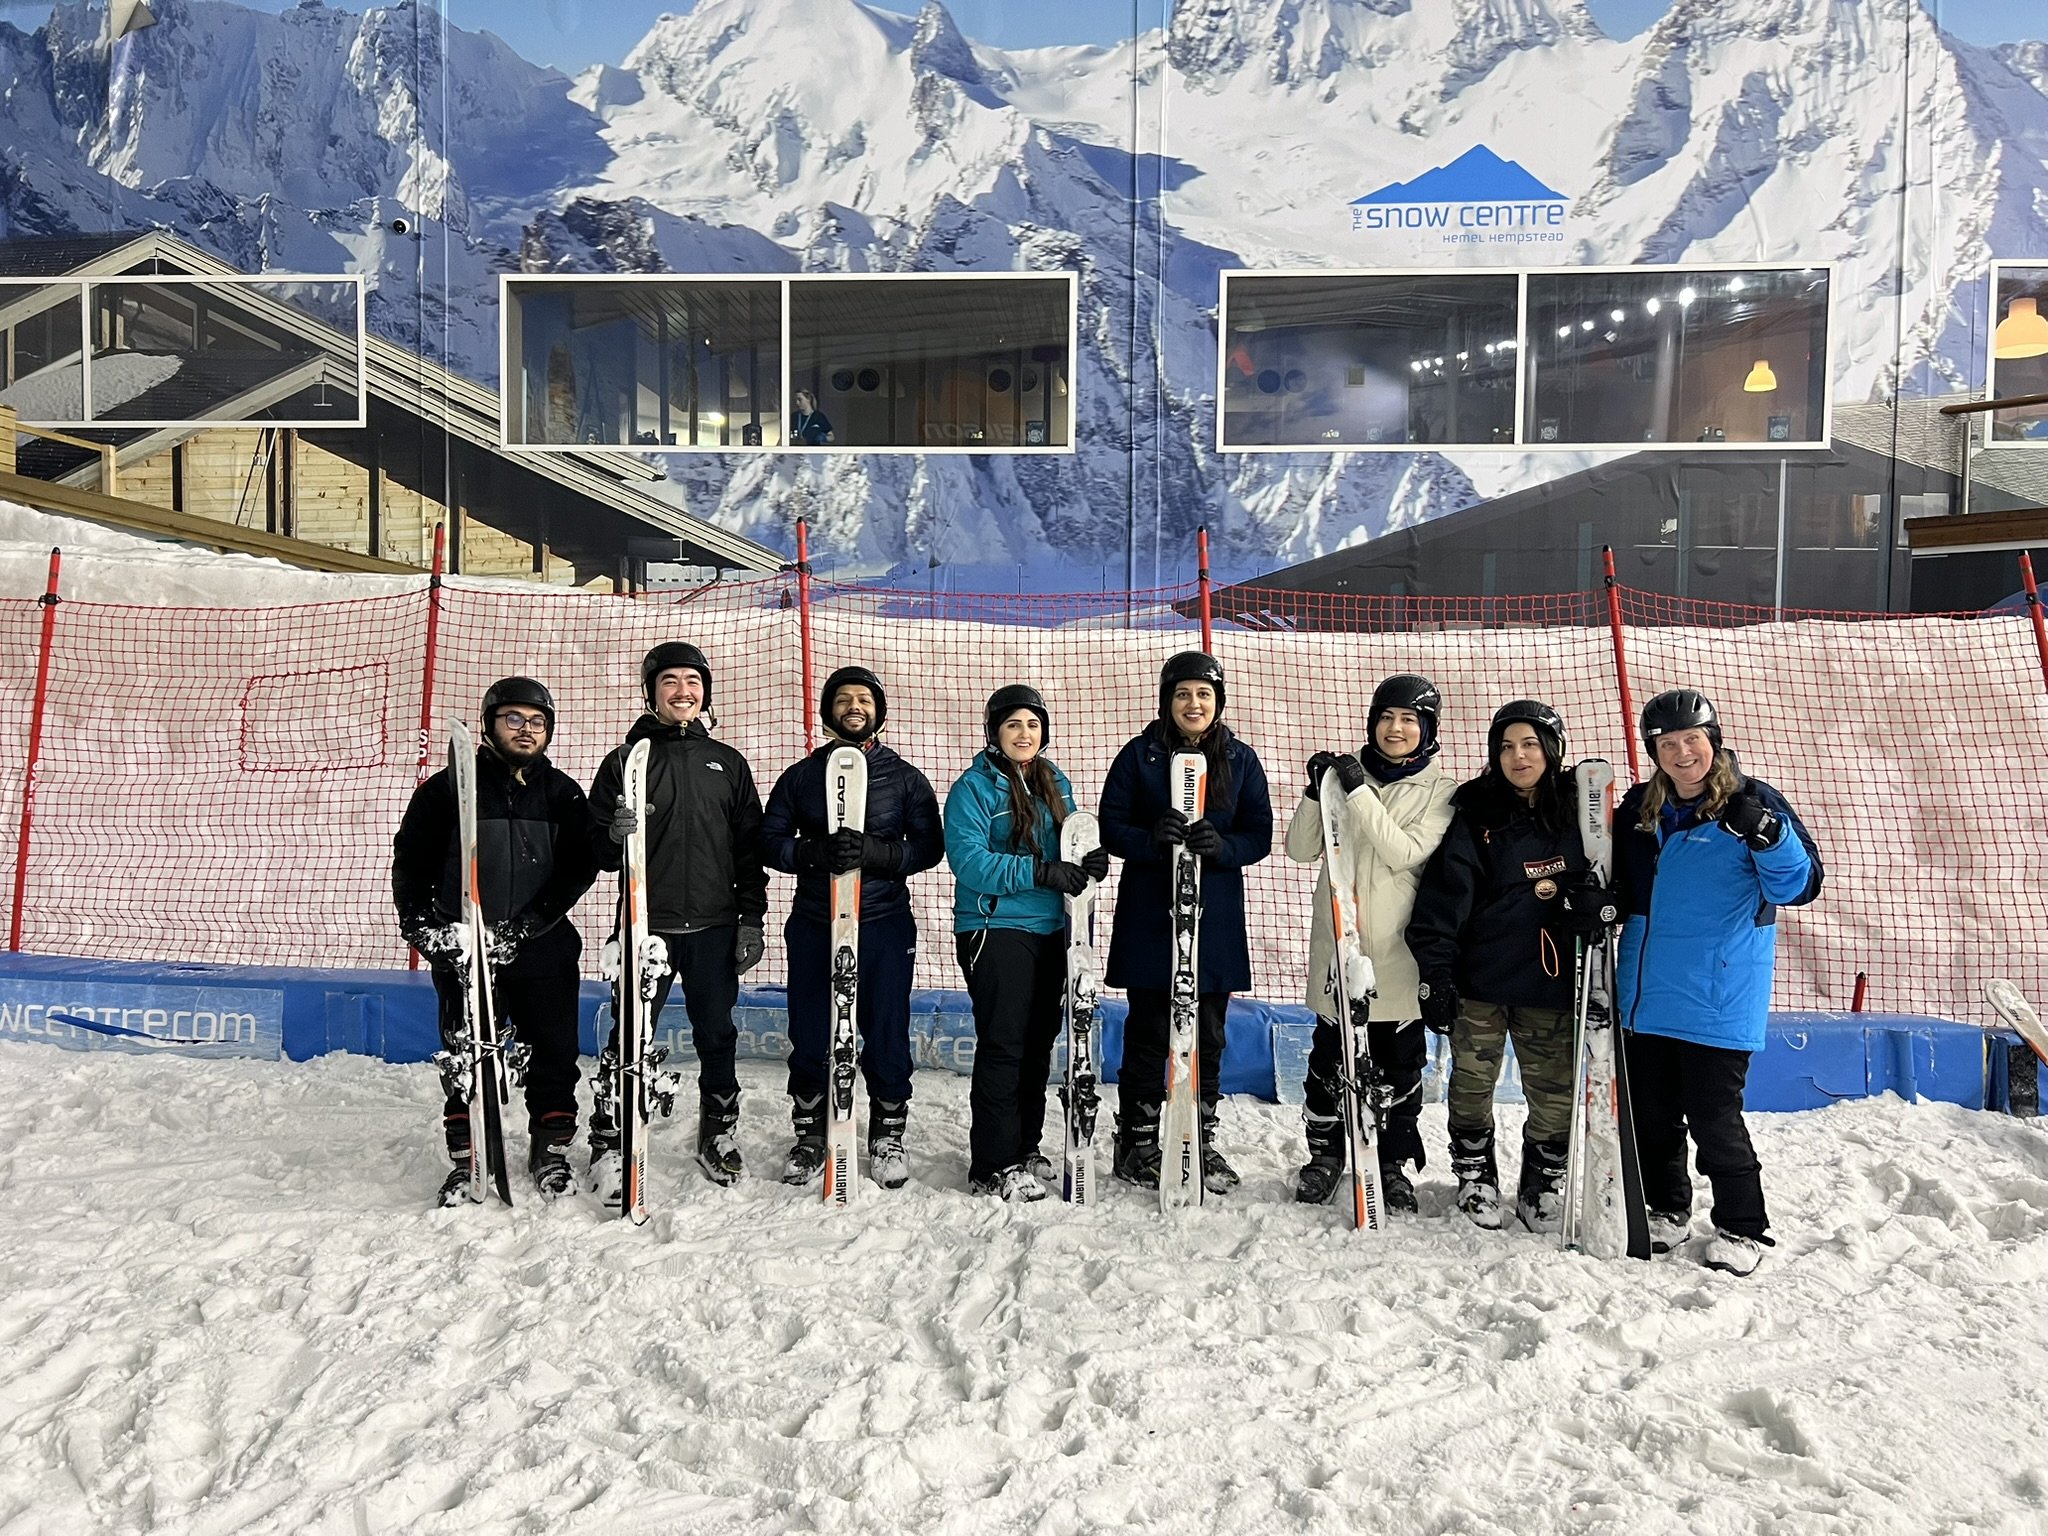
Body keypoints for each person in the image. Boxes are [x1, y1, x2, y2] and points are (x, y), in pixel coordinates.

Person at [1615, 688, 1821, 1277]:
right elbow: (1624, 887)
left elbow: (1795, 888)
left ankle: (1742, 1227)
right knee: (1651, 1116)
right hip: (1646, 995)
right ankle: (1666, 1209)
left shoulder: (1753, 803)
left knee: (1713, 1118)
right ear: (1655, 750)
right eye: (1668, 744)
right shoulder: (1639, 809)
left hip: (1719, 994)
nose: (1682, 754)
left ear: (1714, 741)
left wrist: (1769, 837)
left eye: (1692, 741)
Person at [1407, 700, 1614, 1232]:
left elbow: (1617, 878)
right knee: (1472, 1084)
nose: (1517, 756)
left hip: (1551, 980)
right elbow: (1443, 899)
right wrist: (1437, 973)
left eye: (1529, 744)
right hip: (1481, 979)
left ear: (1552, 749)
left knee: (1553, 1089)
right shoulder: (1476, 812)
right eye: (1505, 746)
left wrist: (1601, 904)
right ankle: (1475, 1174)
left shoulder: (1580, 811)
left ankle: (1543, 1180)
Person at [392, 677, 598, 1205]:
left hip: (542, 946)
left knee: (554, 1052)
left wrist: (528, 925)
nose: (526, 730)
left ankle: (548, 1149)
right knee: (466, 1053)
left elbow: (578, 869)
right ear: (489, 725)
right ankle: (468, 1158)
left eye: (537, 722)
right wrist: (425, 930)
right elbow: (410, 866)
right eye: (514, 719)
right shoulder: (445, 790)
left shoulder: (562, 793)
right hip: (464, 947)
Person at [587, 642, 769, 1195]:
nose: (683, 691)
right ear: (651, 692)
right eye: (670, 681)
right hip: (648, 926)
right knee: (629, 1035)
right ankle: (611, 1141)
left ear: (705, 692)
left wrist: (750, 919)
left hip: (714, 928)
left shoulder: (728, 764)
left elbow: (748, 851)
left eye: (693, 681)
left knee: (717, 1034)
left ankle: (718, 1131)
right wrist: (609, 835)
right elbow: (593, 849)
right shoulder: (625, 761)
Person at [762, 665, 943, 1189]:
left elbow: (929, 847)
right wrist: (812, 852)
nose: (854, 706)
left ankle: (887, 1133)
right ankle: (811, 1133)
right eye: (843, 699)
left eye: (864, 698)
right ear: (828, 712)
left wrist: (880, 853)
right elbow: (770, 840)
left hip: (883, 920)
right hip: (817, 919)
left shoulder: (905, 777)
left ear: (878, 712)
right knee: (811, 1029)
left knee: (885, 1027)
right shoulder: (800, 775)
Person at [1099, 651, 1273, 1193]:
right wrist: (1150, 838)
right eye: (1182, 694)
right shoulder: (1139, 756)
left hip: (1214, 916)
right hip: (1152, 913)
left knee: (1209, 1033)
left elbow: (1259, 835)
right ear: (1166, 701)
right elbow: (1111, 826)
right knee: (1151, 1028)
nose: (1193, 704)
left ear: (1217, 702)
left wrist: (1224, 846)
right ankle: (1139, 1139)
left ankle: (1198, 1134)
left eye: (1203, 694)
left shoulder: (1240, 760)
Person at [1283, 673, 1456, 1212]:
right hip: (1339, 942)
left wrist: (1355, 790)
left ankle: (1391, 1161)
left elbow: (1403, 850)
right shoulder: (1343, 778)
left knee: (1399, 1063)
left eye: (1409, 720)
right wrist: (1318, 795)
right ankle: (1326, 1154)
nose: (1395, 728)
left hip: (1397, 950)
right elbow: (1298, 848)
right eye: (1386, 717)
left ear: (1427, 730)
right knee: (1329, 1060)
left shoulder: (1441, 791)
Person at [945, 684, 1109, 1201]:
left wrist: (1090, 862)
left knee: (1038, 1047)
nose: (1024, 734)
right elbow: (969, 862)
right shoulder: (972, 788)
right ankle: (992, 1164)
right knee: (1005, 1045)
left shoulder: (1054, 781)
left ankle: (1023, 1145)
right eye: (1013, 724)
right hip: (995, 929)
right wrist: (1039, 871)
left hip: (1051, 932)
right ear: (995, 731)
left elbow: (1074, 845)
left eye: (1033, 724)